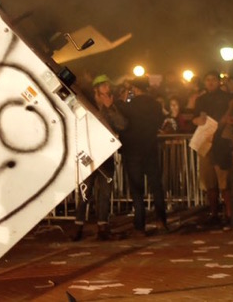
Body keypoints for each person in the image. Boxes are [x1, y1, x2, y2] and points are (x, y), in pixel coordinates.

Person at [72, 74, 128, 241]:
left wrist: (110, 108)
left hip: (105, 154)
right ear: (96, 89)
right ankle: (78, 227)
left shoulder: (115, 104)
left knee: (104, 192)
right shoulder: (86, 103)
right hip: (89, 153)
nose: (107, 89)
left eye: (108, 86)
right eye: (104, 86)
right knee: (85, 191)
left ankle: (102, 226)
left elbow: (122, 125)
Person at [119, 77, 168, 237]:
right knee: (156, 187)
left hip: (133, 150)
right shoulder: (155, 105)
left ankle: (140, 225)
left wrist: (122, 98)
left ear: (135, 89)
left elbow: (121, 115)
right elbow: (159, 122)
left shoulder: (131, 106)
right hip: (150, 149)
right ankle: (162, 220)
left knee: (137, 189)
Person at [193, 71, 233, 225]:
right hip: (206, 142)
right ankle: (214, 213)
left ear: (219, 82)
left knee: (224, 181)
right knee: (209, 181)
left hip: (222, 143)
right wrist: (197, 120)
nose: (210, 83)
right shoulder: (201, 100)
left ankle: (230, 214)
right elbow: (194, 117)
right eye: (208, 80)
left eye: (213, 80)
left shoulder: (229, 99)